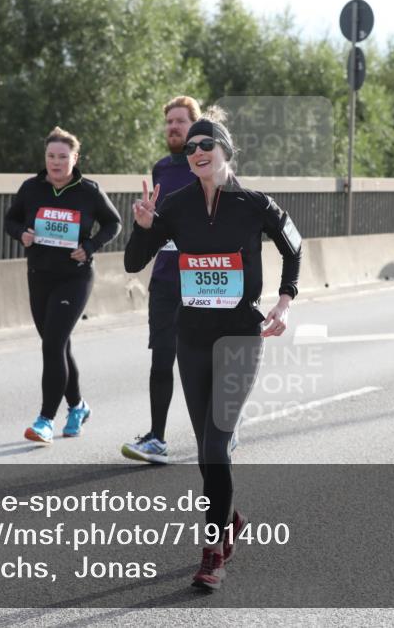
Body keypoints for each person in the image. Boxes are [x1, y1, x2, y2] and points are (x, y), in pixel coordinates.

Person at [124, 109, 302, 591]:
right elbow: (134, 263)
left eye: (207, 145)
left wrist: (284, 302)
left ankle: (213, 552)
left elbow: (293, 247)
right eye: (191, 148)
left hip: (240, 336)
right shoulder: (176, 205)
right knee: (207, 451)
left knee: (218, 444)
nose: (197, 152)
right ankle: (230, 518)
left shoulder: (254, 204)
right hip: (193, 337)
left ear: (226, 151)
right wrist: (143, 226)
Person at [4, 127, 122, 444]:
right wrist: (21, 234)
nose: (56, 162)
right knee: (58, 345)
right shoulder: (31, 188)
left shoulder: (89, 191)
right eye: (51, 156)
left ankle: (45, 420)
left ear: (75, 158)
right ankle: (78, 406)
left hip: (75, 276)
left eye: (62, 157)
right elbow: (10, 220)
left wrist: (91, 246)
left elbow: (114, 223)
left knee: (53, 345)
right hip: (39, 274)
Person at [121, 96, 202, 465]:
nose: (173, 127)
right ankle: (157, 438)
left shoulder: (208, 166)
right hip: (166, 280)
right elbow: (158, 227)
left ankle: (221, 429)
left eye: (180, 121)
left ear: (195, 126)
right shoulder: (161, 169)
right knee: (162, 360)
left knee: (201, 362)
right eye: (169, 121)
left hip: (204, 280)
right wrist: (146, 222)